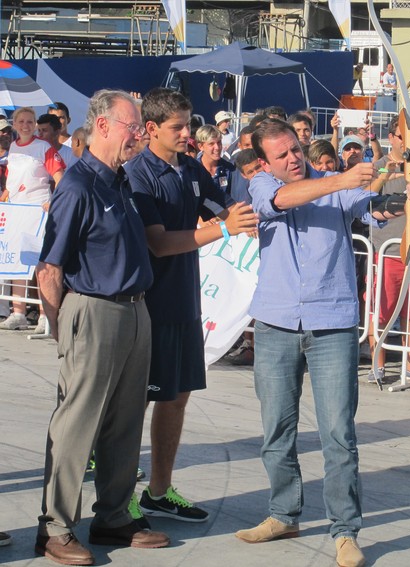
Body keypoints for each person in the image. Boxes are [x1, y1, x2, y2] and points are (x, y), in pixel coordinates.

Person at [234, 118, 410, 567]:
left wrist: (407, 201)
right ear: (265, 160)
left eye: (295, 149)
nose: (293, 158)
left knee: (339, 433)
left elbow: (373, 206)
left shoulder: (332, 184)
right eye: (282, 154)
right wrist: (341, 178)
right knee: (276, 430)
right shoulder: (262, 184)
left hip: (333, 323)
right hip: (276, 321)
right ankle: (283, 513)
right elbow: (281, 200)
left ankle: (345, 530)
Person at [35, 89, 170, 567]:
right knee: (77, 425)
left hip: (135, 311)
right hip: (93, 310)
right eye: (133, 126)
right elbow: (49, 268)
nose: (139, 134)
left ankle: (113, 515)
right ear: (104, 126)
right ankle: (55, 526)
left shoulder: (122, 183)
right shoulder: (78, 185)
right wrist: (61, 328)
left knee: (124, 423)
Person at [125, 88, 258, 524]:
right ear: (151, 129)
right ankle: (119, 492)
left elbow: (223, 209)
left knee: (177, 399)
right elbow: (160, 243)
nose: (188, 134)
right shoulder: (137, 174)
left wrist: (253, 217)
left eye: (189, 124)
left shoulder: (190, 170)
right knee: (135, 402)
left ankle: (159, 492)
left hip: (186, 302)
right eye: (177, 127)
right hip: (149, 304)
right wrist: (223, 229)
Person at [366, 116, 410, 385]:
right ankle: (377, 365)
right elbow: (363, 196)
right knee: (380, 311)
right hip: (387, 251)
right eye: (405, 136)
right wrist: (387, 173)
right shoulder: (378, 165)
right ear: (392, 137)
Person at [0, 107, 65, 333]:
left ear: (35, 124)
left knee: (41, 265)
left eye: (30, 121)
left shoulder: (43, 148)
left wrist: (54, 201)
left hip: (39, 212)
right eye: (21, 121)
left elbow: (60, 177)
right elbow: (12, 181)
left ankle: (45, 316)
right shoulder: (14, 148)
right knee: (17, 262)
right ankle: (18, 313)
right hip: (17, 213)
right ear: (15, 124)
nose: (25, 125)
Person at [196, 123, 235, 206]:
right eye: (211, 144)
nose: (217, 147)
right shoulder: (192, 171)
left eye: (219, 142)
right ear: (200, 146)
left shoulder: (229, 169)